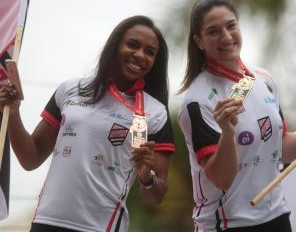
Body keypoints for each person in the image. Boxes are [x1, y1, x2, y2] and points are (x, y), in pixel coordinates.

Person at [177, 0, 296, 232]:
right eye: (213, 31)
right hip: (228, 224)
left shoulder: (264, 79)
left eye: (231, 26)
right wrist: (228, 132)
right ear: (199, 41)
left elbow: (282, 148)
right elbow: (222, 179)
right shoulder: (196, 100)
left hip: (276, 216)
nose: (226, 37)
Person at [0, 15, 175, 232]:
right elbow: (30, 158)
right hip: (47, 221)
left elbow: (156, 196)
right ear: (114, 46)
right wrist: (14, 113)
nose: (140, 55)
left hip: (102, 227)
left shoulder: (156, 112)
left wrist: (146, 177)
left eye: (150, 52)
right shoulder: (70, 89)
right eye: (132, 45)